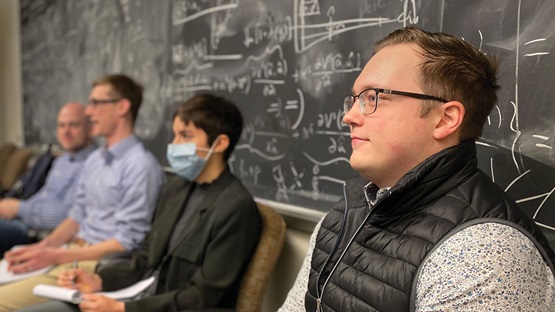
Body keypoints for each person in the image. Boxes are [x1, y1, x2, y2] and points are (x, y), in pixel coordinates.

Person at [279, 26, 555, 312]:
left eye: (373, 98)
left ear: (445, 119)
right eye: (355, 99)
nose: (349, 116)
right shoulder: (344, 215)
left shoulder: (483, 256)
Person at [21, 93, 262, 312]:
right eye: (175, 134)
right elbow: (146, 258)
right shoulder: (176, 188)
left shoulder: (235, 207)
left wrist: (122, 309)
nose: (175, 145)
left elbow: (201, 298)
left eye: (186, 136)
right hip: (132, 298)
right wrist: (100, 280)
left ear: (219, 144)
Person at [0, 74, 165, 311]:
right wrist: (42, 248)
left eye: (96, 103)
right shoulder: (96, 159)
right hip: (68, 252)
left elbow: (126, 243)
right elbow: (76, 216)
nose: (89, 112)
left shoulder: (141, 166)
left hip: (92, 264)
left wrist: (54, 256)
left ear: (122, 107)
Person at [0, 102, 96, 255]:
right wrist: (9, 207)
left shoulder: (92, 164)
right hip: (24, 222)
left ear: (91, 129)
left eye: (74, 125)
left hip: (41, 235)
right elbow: (43, 196)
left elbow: (66, 216)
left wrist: (18, 208)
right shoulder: (61, 161)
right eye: (61, 125)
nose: (66, 132)